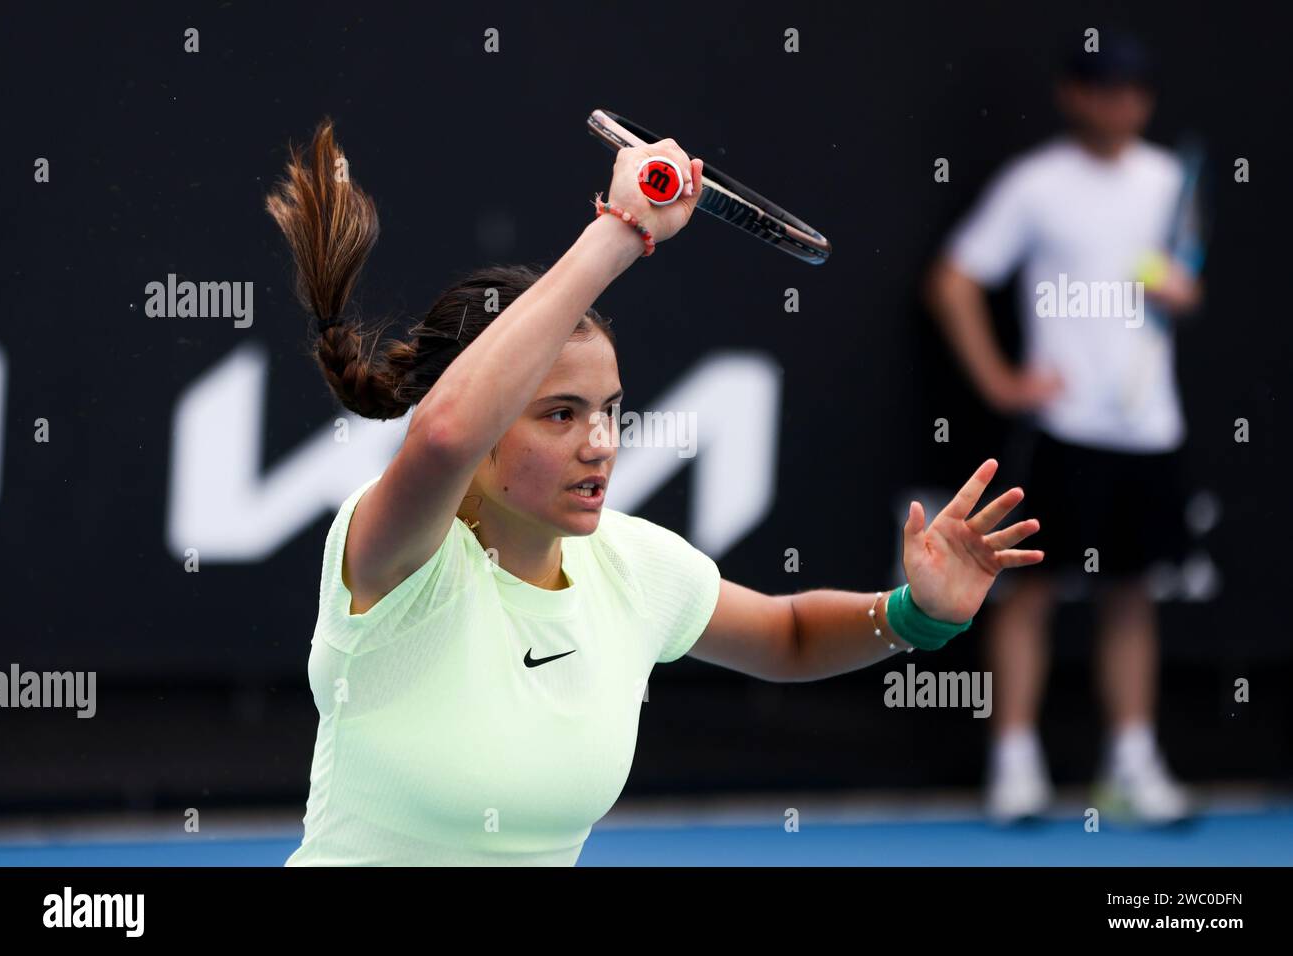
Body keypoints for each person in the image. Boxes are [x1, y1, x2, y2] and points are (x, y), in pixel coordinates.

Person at [270, 119, 1043, 865]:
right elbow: (442, 435)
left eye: (609, 409)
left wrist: (913, 614)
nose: (601, 441)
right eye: (560, 414)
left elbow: (791, 634)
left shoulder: (633, 568)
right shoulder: (395, 564)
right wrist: (621, 229)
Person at [924, 34, 1200, 825]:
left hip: (1150, 427)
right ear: (1073, 95)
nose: (1122, 105)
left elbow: (1186, 278)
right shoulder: (1036, 185)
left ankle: (1133, 766)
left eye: (1134, 91)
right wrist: (1001, 381)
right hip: (1063, 428)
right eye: (1105, 89)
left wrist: (1176, 290)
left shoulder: (1169, 179)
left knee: (1132, 597)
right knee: (1028, 593)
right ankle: (1013, 765)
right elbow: (953, 280)